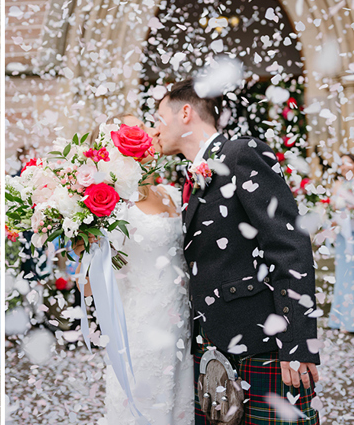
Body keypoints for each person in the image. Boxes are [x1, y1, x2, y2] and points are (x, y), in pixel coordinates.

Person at [155, 79, 320, 424]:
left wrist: (297, 343)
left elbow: (288, 243)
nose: (155, 129)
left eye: (159, 118)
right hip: (214, 348)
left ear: (185, 113)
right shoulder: (190, 178)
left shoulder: (241, 153)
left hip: (263, 345)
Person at [75, 115, 194, 424]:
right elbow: (88, 288)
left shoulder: (170, 192)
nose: (151, 132)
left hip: (182, 321)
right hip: (141, 323)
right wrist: (84, 249)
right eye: (137, 129)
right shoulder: (113, 207)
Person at [328, 153, 354, 331]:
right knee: (344, 277)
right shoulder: (337, 185)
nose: (345, 167)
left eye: (349, 163)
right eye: (342, 164)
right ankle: (342, 319)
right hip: (343, 239)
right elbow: (331, 208)